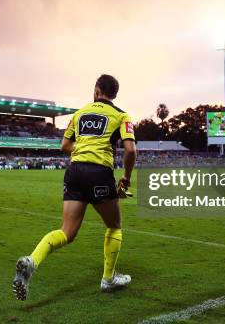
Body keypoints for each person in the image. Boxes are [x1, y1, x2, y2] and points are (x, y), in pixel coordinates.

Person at [12, 74, 137, 300]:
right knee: (114, 226)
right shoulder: (121, 115)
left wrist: (83, 149)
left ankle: (32, 260)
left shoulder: (79, 114)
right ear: (114, 94)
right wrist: (126, 178)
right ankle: (108, 279)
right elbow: (130, 150)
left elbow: (65, 145)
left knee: (66, 232)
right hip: (99, 172)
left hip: (75, 172)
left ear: (97, 91)